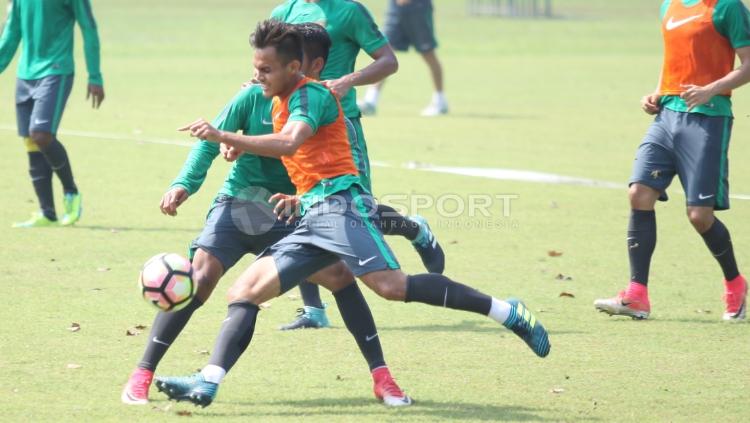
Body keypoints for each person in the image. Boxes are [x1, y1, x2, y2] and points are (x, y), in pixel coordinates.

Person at [156, 19, 550, 408]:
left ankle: (506, 311)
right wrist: (296, 192)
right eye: (255, 68)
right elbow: (309, 159)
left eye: (265, 69)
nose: (256, 76)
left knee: (392, 287)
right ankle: (208, 382)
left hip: (340, 208)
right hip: (312, 213)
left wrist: (225, 136)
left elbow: (291, 143)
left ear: (295, 68)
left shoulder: (311, 96)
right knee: (243, 292)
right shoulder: (279, 101)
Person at [122, 23, 411, 407]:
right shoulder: (252, 97)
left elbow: (333, 168)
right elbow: (210, 141)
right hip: (239, 205)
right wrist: (183, 185)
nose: (265, 76)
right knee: (200, 278)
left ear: (307, 66)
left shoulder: (319, 102)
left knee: (341, 276)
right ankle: (141, 374)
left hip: (289, 211)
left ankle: (383, 377)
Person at [271, 0, 445, 330]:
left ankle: (413, 228)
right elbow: (271, 65)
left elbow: (388, 61)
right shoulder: (284, 12)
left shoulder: (348, 11)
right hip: (294, 126)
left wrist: (349, 80)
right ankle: (313, 310)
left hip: (340, 125)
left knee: (355, 211)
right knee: (300, 207)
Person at [595, 0, 750, 321]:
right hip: (667, 117)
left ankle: (735, 282)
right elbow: (675, 61)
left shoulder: (728, 7)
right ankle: (636, 295)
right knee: (639, 193)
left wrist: (712, 89)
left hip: (708, 119)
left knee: (699, 216)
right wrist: (657, 93)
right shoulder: (670, 5)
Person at [0, 0, 104, 227]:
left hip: (56, 70)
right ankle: (47, 213)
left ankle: (71, 193)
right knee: (30, 140)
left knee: (41, 134)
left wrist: (94, 75)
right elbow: (11, 32)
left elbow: (88, 27)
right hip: (25, 73)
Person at [359, 0, 447, 117]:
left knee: (428, 52)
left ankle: (440, 100)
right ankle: (371, 101)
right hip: (396, 6)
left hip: (417, 7)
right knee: (385, 50)